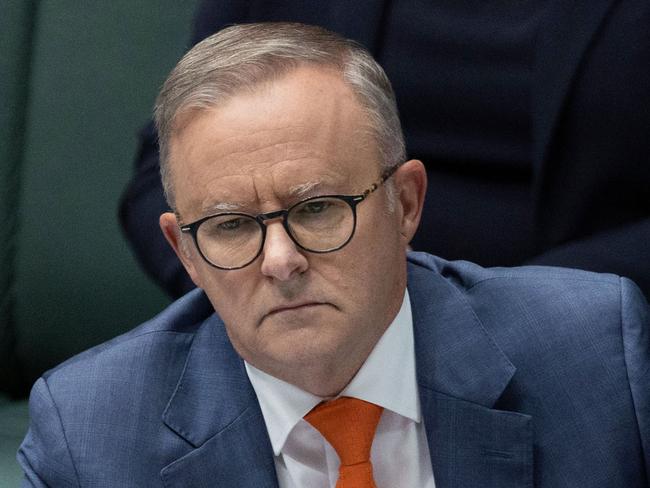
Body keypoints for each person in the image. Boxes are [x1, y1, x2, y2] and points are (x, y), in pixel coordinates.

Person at [19, 23, 649, 487]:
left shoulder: (597, 356)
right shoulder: (89, 437)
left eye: (316, 209)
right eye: (232, 226)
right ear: (184, 252)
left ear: (405, 204)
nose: (280, 261)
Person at [120, 0, 650, 300]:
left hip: (593, 335)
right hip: (304, 333)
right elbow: (166, 177)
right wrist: (259, 291)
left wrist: (520, 309)